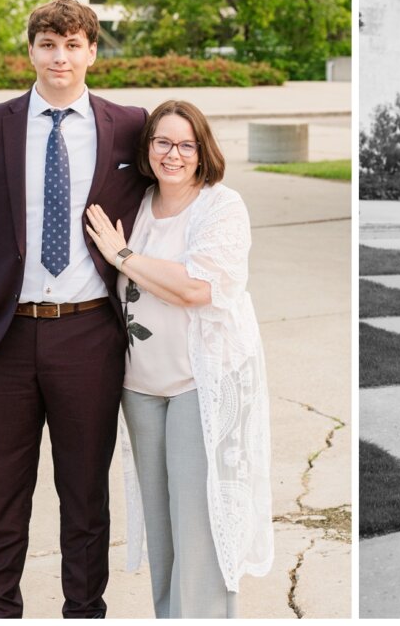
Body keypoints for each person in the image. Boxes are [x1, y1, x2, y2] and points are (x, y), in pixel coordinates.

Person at [0, 0, 150, 618]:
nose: (61, 57)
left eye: (74, 45)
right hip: (1, 341)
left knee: (84, 498)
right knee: (3, 498)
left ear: (93, 53)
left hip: (90, 339)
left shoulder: (129, 125)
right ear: (31, 50)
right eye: (48, 44)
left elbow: (176, 188)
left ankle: (84, 611)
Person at [84, 100, 272, 618]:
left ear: (202, 150)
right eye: (162, 142)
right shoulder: (138, 205)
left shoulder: (221, 206)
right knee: (163, 529)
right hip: (141, 387)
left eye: (186, 144)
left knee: (200, 523)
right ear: (147, 150)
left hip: (200, 383)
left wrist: (125, 257)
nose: (174, 154)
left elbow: (196, 288)